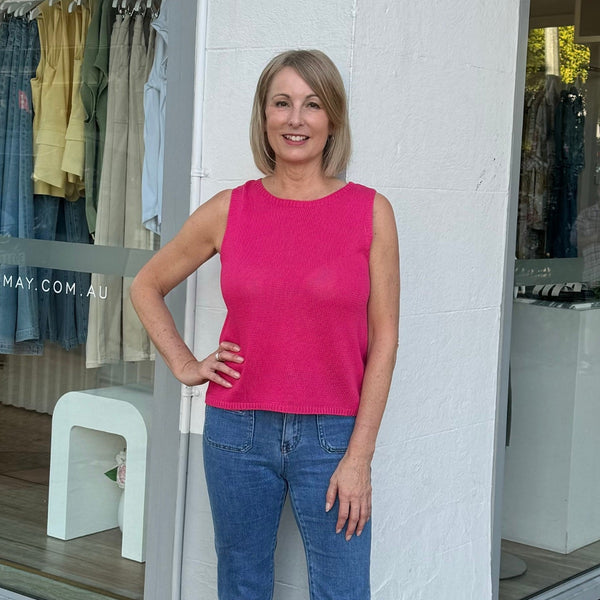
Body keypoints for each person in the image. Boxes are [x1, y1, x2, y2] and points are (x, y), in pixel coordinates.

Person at [131, 49, 400, 600]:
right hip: (238, 430)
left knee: (344, 589)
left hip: (332, 438)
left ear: (334, 120)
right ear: (264, 115)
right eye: (282, 103)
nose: (295, 119)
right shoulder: (231, 209)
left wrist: (360, 456)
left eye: (312, 104)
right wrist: (185, 363)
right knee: (242, 584)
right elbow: (146, 284)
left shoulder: (370, 212)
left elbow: (386, 339)